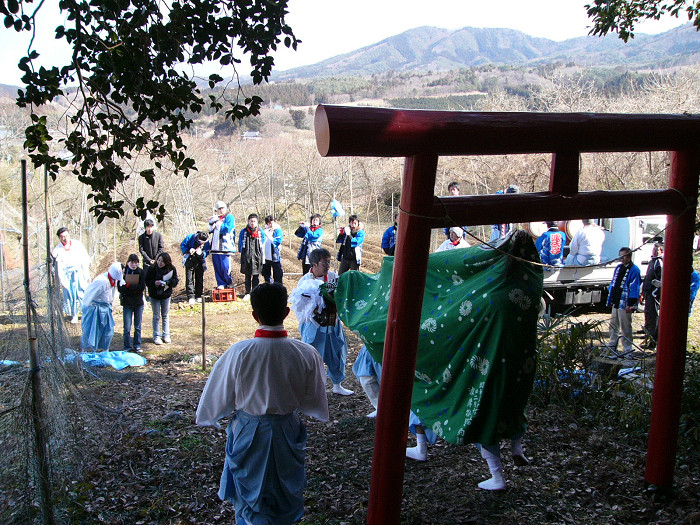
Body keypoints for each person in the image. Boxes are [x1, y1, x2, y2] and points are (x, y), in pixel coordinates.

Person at [196, 283, 328, 525]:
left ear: (255, 315)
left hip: (249, 430)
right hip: (287, 429)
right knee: (284, 495)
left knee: (250, 500)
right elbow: (314, 400)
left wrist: (212, 416)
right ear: (287, 313)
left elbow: (217, 396)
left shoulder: (239, 352)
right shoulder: (306, 353)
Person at [290, 248, 354, 396]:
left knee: (337, 351)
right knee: (311, 354)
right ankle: (310, 388)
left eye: (329, 262)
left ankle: (337, 384)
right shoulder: (305, 280)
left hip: (332, 323)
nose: (327, 265)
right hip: (314, 325)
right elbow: (301, 306)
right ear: (314, 264)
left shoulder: (332, 277)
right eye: (324, 262)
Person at [52, 227, 91, 324]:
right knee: (70, 294)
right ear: (59, 238)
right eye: (62, 237)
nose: (65, 238)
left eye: (66, 236)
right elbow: (55, 267)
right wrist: (60, 279)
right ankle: (74, 314)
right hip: (66, 274)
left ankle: (85, 313)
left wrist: (86, 272)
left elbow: (85, 257)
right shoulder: (57, 250)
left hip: (79, 272)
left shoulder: (77, 244)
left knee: (81, 293)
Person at [80, 262, 123, 351]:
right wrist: (88, 309)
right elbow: (89, 295)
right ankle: (89, 351)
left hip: (105, 308)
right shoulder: (102, 281)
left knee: (108, 331)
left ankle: (104, 349)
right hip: (94, 309)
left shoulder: (113, 280)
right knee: (92, 331)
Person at [606, 247, 641, 354]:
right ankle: (613, 343)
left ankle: (627, 347)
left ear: (629, 256)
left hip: (625, 302)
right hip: (616, 300)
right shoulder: (618, 268)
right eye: (620, 256)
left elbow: (635, 287)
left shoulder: (634, 269)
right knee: (613, 323)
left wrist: (631, 303)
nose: (622, 258)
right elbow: (613, 283)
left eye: (624, 256)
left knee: (625, 325)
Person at [145, 252, 178, 345]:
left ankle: (166, 335)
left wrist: (166, 282)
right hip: (154, 295)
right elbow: (147, 281)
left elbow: (175, 281)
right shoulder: (151, 269)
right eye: (159, 260)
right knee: (156, 316)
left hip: (166, 295)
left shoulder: (171, 269)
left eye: (162, 262)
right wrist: (154, 283)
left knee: (165, 315)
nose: (160, 263)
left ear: (166, 262)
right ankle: (156, 336)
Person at [117, 254, 146, 353]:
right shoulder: (123, 273)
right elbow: (120, 288)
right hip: (127, 303)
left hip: (138, 303)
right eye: (132, 262)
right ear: (128, 262)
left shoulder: (141, 272)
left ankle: (137, 345)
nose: (134, 265)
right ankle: (127, 346)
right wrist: (129, 287)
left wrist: (130, 287)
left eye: (136, 262)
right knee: (127, 327)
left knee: (137, 326)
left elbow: (141, 287)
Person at [208, 201, 236, 289]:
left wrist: (218, 222)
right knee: (217, 267)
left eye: (222, 208)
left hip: (225, 247)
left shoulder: (229, 217)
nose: (221, 210)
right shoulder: (216, 218)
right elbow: (210, 229)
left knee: (225, 267)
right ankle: (221, 283)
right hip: (215, 247)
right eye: (219, 209)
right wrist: (212, 221)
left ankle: (229, 283)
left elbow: (226, 229)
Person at [238, 213, 267, 300]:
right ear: (248, 221)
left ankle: (255, 292)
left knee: (256, 276)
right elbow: (240, 244)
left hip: (257, 256)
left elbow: (263, 244)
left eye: (254, 221)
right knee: (247, 276)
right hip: (246, 256)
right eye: (251, 221)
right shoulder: (244, 232)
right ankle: (247, 292)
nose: (252, 223)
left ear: (257, 222)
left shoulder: (260, 232)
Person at [641, 242, 663, 348]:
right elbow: (647, 278)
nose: (654, 251)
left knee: (654, 317)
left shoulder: (659, 262)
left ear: (661, 251)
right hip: (648, 293)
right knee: (648, 315)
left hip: (654, 295)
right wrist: (644, 292)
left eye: (657, 249)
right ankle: (648, 336)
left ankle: (653, 341)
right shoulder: (652, 261)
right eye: (653, 249)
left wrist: (654, 293)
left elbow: (660, 280)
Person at [180, 231, 210, 305]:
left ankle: (198, 295)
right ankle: (191, 296)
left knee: (199, 278)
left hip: (200, 260)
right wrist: (188, 250)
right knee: (189, 278)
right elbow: (183, 245)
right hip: (190, 259)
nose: (202, 243)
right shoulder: (190, 237)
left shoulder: (206, 242)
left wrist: (202, 253)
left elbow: (207, 251)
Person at [262, 215, 284, 284]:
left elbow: (277, 241)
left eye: (271, 223)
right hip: (266, 256)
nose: (270, 225)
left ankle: (278, 289)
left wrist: (269, 236)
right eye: (268, 223)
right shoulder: (264, 230)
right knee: (267, 275)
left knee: (277, 275)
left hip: (275, 256)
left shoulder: (277, 230)